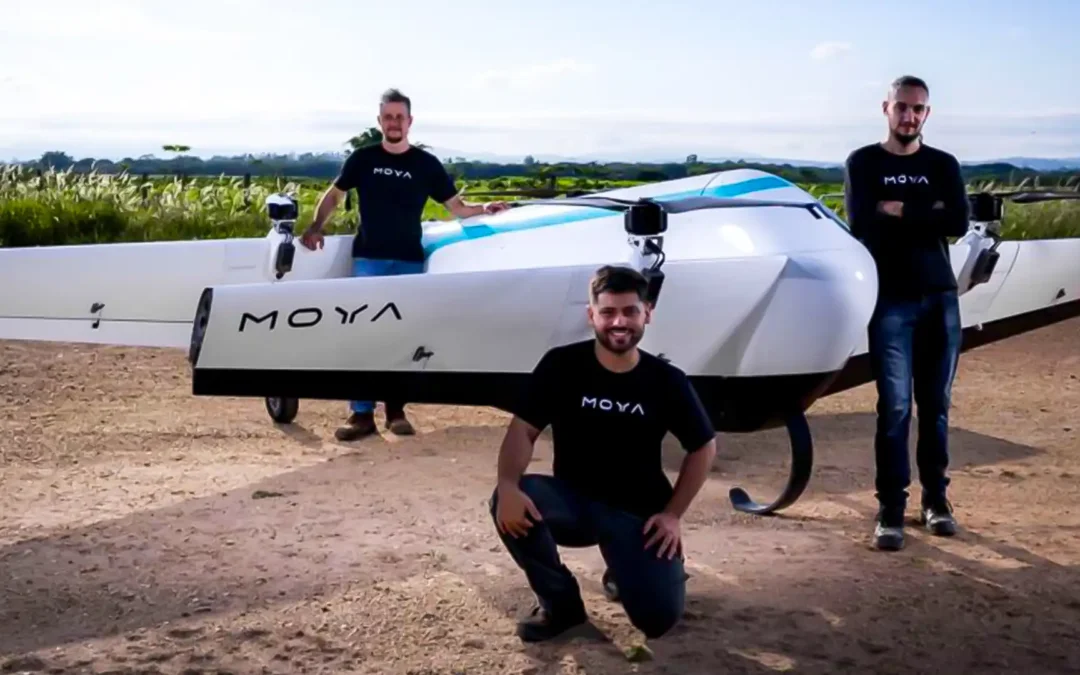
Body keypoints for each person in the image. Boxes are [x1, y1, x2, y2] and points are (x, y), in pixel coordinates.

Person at [489, 265, 718, 642]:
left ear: (647, 314)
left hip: (639, 516)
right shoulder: (561, 365)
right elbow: (523, 430)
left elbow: (704, 446)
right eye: (608, 312)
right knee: (510, 500)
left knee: (657, 621)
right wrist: (508, 485)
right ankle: (560, 606)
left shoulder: (667, 380)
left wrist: (673, 515)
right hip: (574, 503)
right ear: (591, 315)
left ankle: (629, 569)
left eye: (630, 311)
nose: (619, 322)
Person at [298, 88, 509, 441]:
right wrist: (316, 227)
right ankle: (360, 414)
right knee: (363, 335)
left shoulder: (425, 164)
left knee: (404, 336)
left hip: (409, 259)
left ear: (410, 121)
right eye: (388, 116)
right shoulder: (362, 159)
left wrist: (485, 210)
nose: (394, 122)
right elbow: (335, 195)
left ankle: (396, 411)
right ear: (380, 120)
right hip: (369, 258)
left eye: (400, 116)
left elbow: (455, 206)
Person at [843, 75, 970, 551]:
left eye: (917, 109)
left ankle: (936, 501)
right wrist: (926, 209)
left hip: (940, 297)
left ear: (927, 114)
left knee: (935, 407)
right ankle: (890, 509)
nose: (909, 116)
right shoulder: (864, 162)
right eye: (901, 107)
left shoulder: (942, 163)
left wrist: (899, 209)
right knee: (895, 408)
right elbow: (861, 220)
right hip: (891, 300)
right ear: (886, 108)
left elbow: (957, 220)